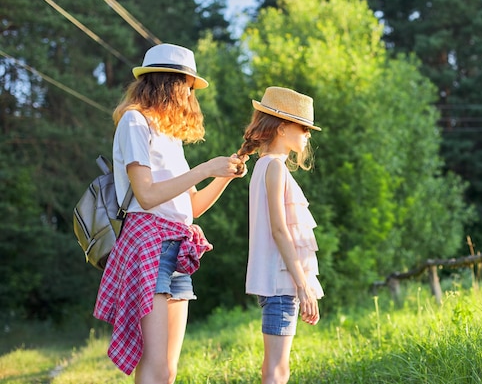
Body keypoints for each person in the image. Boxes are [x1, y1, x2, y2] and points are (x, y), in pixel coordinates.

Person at [93, 43, 246, 384]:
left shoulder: (169, 135)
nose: (191, 96)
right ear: (171, 84)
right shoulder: (135, 122)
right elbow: (146, 196)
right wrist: (206, 168)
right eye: (188, 87)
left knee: (168, 370)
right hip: (147, 242)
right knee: (156, 367)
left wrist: (223, 177)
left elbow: (190, 208)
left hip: (176, 245)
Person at [237, 86, 324, 384]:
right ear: (283, 127)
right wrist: (303, 285)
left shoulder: (265, 167)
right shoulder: (274, 168)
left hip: (277, 284)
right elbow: (279, 230)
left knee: (275, 367)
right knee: (277, 370)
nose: (308, 134)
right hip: (281, 283)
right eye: (304, 127)